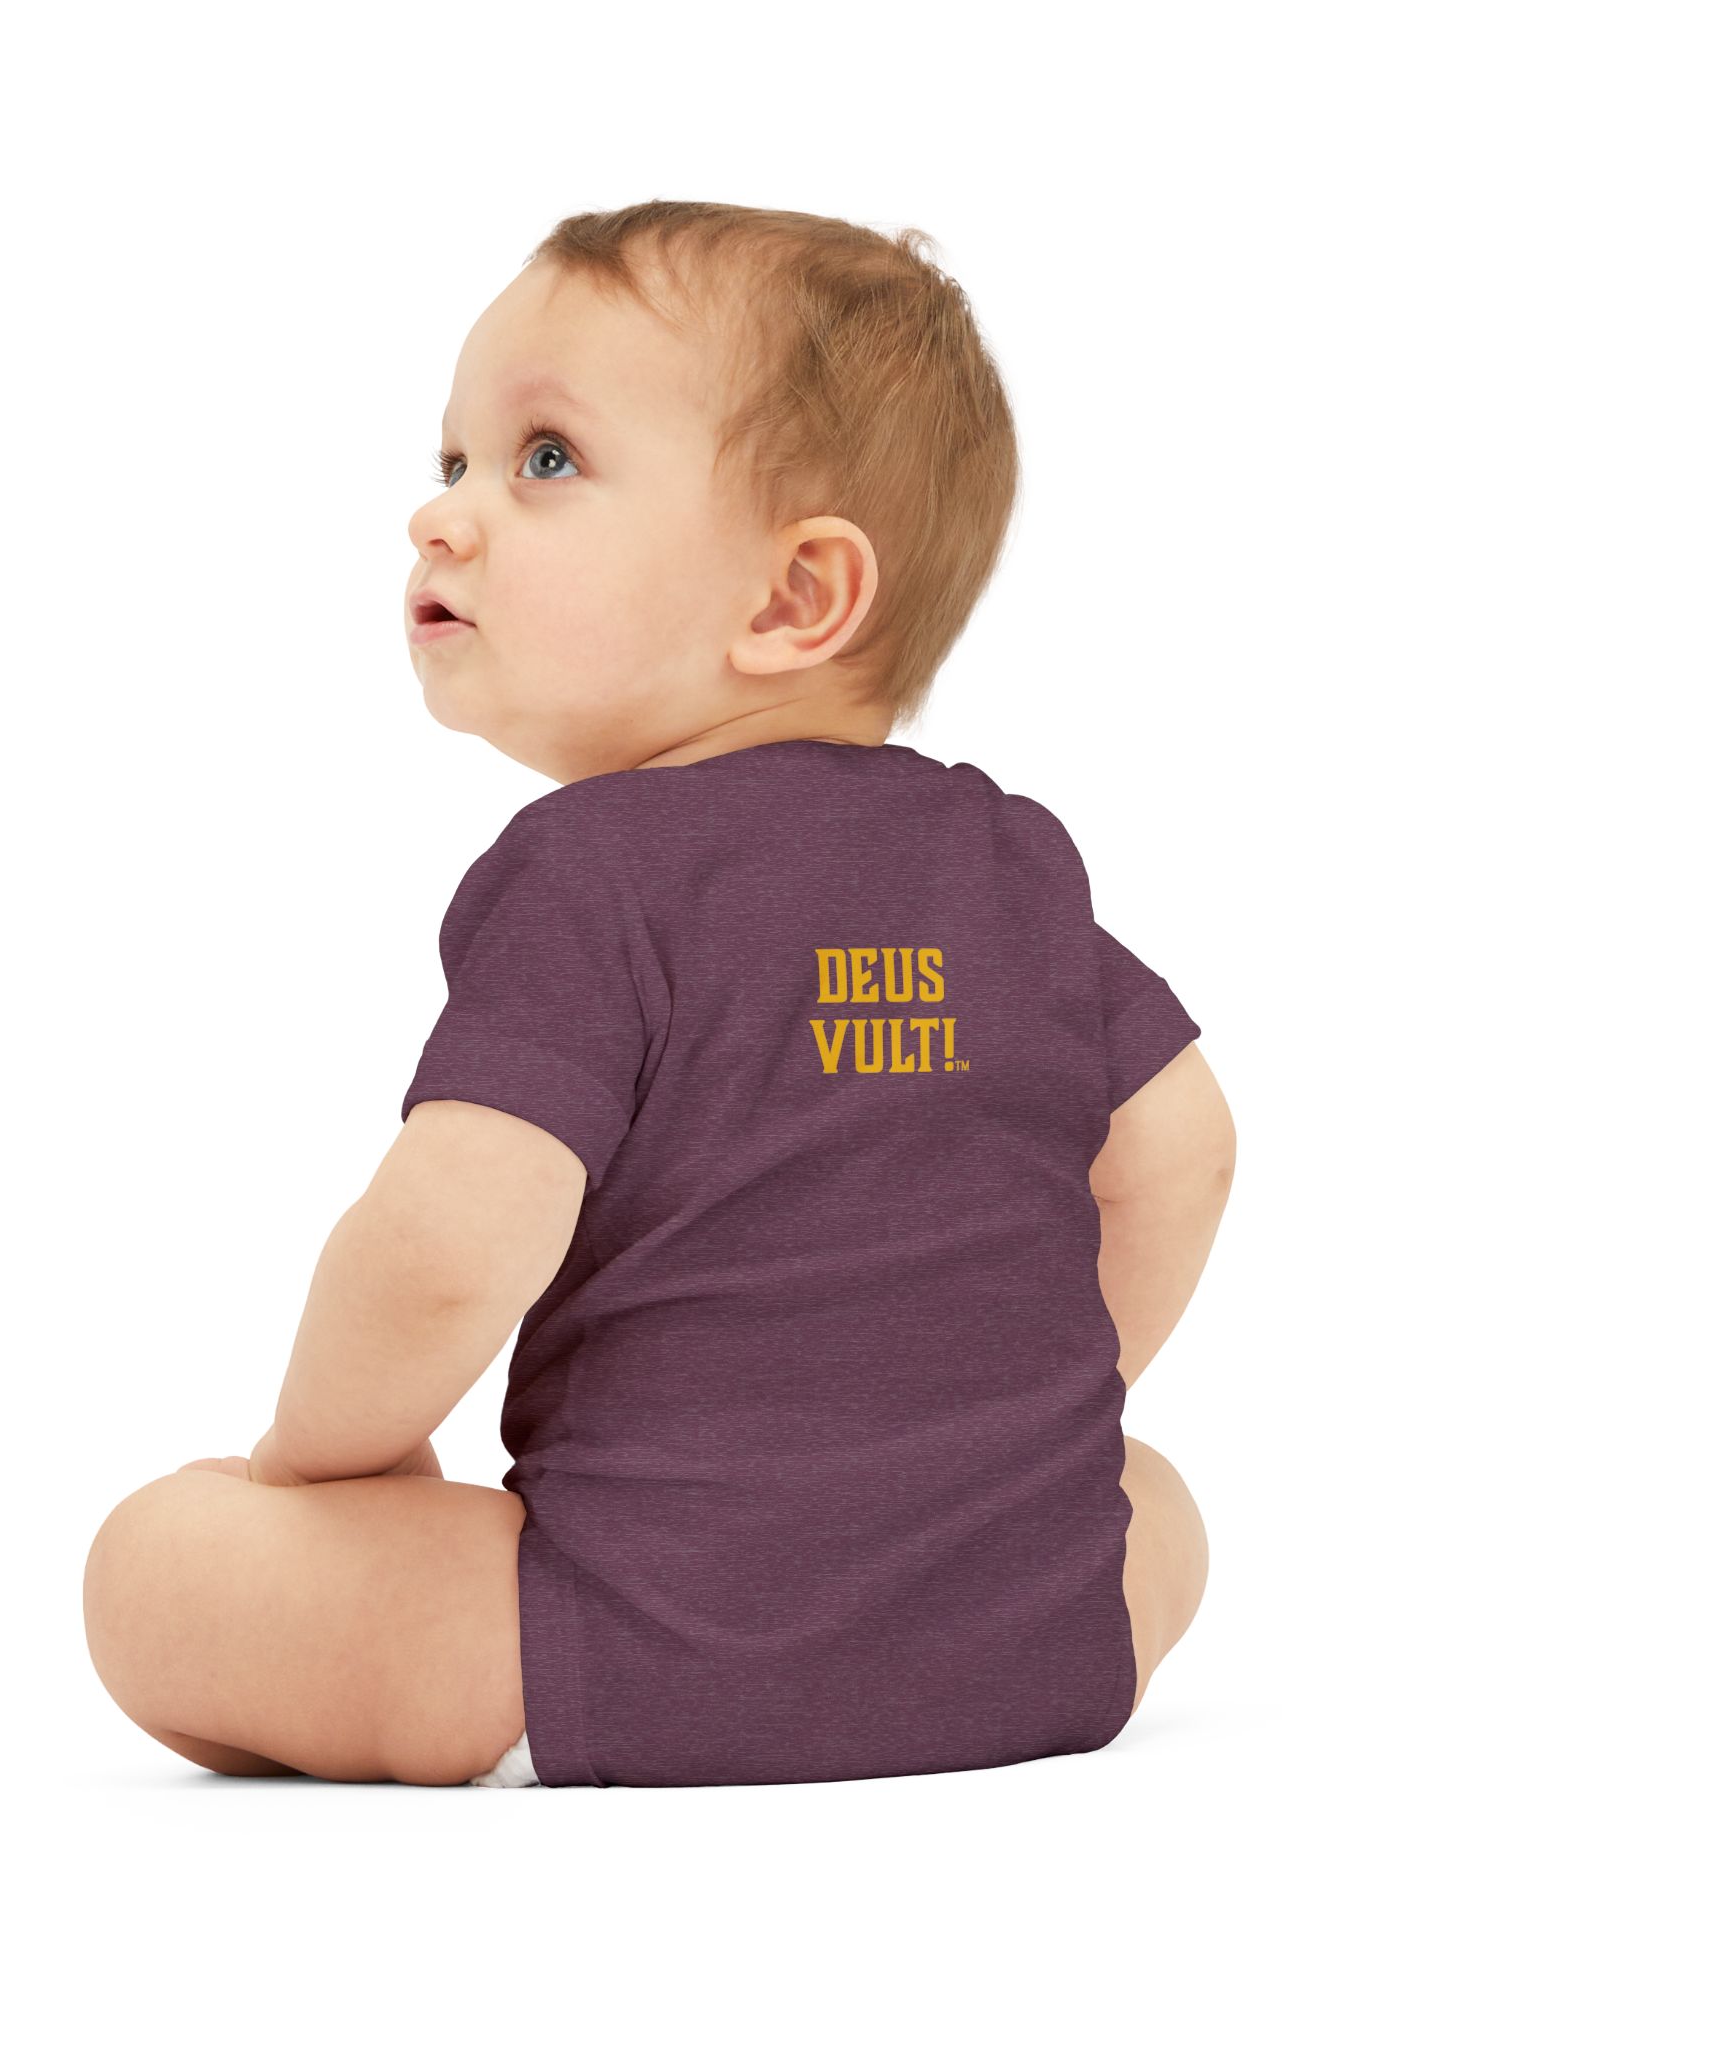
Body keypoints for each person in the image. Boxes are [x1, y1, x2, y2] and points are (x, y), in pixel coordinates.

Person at [83, 201, 1236, 1788]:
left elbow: (443, 1251)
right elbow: (1183, 1149)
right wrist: (1003, 1457)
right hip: (1024, 1641)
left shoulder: (593, 875)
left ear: (793, 598)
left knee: (153, 1566)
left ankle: (532, 1657)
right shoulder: (1012, 860)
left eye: (544, 460)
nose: (443, 515)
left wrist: (319, 1463)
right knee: (1152, 1498)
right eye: (453, 460)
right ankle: (987, 1601)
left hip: (649, 1641)